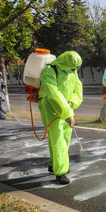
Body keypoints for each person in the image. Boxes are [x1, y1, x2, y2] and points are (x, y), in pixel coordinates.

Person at [38, 51, 83, 185]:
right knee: (58, 140)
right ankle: (61, 172)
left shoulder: (71, 71)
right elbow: (53, 95)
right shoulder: (48, 71)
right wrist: (68, 114)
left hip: (66, 108)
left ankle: (53, 165)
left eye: (76, 68)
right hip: (50, 108)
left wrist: (72, 103)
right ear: (65, 63)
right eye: (73, 67)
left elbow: (78, 89)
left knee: (65, 138)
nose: (75, 70)